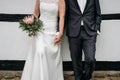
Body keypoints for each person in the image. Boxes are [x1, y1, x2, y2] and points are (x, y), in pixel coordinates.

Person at [20, 0, 65, 80]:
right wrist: (32, 28)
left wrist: (60, 33)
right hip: (40, 30)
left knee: (49, 58)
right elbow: (36, 13)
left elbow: (62, 16)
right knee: (40, 52)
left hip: (52, 30)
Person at [65, 0, 101, 80]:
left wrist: (97, 27)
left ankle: (86, 78)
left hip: (90, 31)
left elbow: (98, 13)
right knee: (76, 60)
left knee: (90, 59)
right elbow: (65, 13)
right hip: (73, 31)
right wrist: (59, 30)